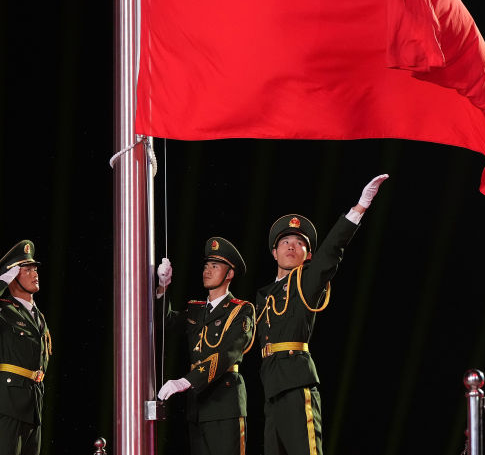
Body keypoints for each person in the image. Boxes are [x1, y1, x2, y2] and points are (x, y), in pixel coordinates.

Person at [254, 174, 389, 455]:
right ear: (274, 252)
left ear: (308, 256)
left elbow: (331, 250)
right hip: (270, 386)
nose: (291, 246)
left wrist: (360, 206)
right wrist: (162, 290)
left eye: (299, 243)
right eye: (285, 242)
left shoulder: (307, 281)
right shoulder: (263, 295)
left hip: (295, 381)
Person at [156, 237, 256, 455]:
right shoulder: (196, 309)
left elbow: (228, 353)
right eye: (206, 266)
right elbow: (165, 322)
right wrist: (163, 287)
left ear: (229, 274)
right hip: (198, 406)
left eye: (215, 266)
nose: (207, 271)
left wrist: (186, 381)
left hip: (224, 404)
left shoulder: (241, 311)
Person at [0, 240, 51, 455]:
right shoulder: (4, 313)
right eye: (27, 270)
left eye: (35, 269)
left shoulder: (38, 317)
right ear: (12, 276)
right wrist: (1, 283)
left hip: (33, 406)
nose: (35, 274)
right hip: (7, 405)